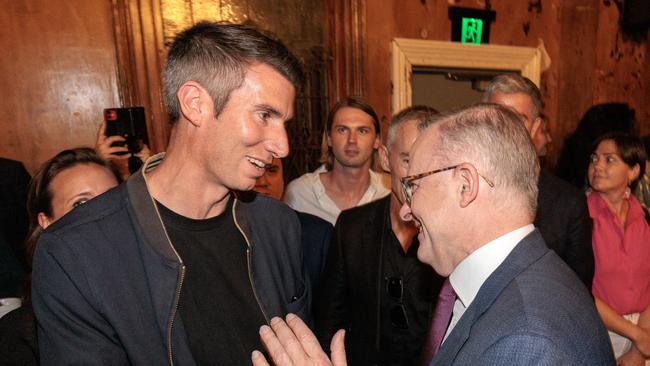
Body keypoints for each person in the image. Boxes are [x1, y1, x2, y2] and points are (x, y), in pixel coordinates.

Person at [251, 104, 614, 366]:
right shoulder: (524, 279)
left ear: (465, 185)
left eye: (414, 185)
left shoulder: (526, 341)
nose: (407, 209)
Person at [32, 22, 309, 365]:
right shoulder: (76, 252)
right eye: (264, 115)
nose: (282, 146)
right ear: (195, 103)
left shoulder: (279, 225)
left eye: (285, 123)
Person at [314, 106, 444, 365]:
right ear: (385, 158)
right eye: (408, 160)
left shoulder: (453, 234)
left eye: (431, 163)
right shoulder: (351, 227)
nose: (418, 176)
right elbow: (330, 322)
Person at [0, 147, 122, 366]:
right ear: (46, 221)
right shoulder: (20, 336)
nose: (102, 213)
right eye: (81, 204)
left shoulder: (165, 291)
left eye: (112, 198)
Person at [484, 74, 594, 289]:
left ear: (535, 127)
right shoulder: (461, 187)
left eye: (518, 118)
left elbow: (579, 289)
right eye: (498, 115)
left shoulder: (568, 203)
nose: (506, 126)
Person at [587, 132, 650, 365]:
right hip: (600, 331)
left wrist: (638, 348)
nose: (597, 166)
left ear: (633, 171)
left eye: (609, 159)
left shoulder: (645, 217)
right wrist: (636, 335)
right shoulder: (580, 217)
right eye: (594, 158)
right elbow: (579, 289)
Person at [284, 97, 389, 224]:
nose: (352, 140)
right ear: (329, 138)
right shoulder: (300, 193)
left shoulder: (389, 193)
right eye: (342, 130)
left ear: (377, 140)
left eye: (362, 131)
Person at [253, 158, 332, 290]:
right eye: (255, 170)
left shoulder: (316, 236)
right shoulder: (220, 234)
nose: (263, 181)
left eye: (271, 170)